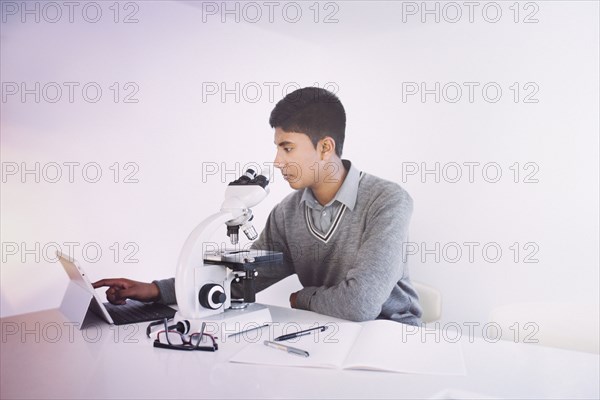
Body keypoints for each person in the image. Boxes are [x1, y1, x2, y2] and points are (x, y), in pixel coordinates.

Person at [93, 87, 422, 325]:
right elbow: (242, 281)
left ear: (325, 147)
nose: (277, 162)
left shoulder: (387, 201)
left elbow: (360, 304)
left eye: (287, 148)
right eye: (277, 148)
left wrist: (302, 298)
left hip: (389, 337)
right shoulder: (287, 213)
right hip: (329, 330)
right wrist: (154, 290)